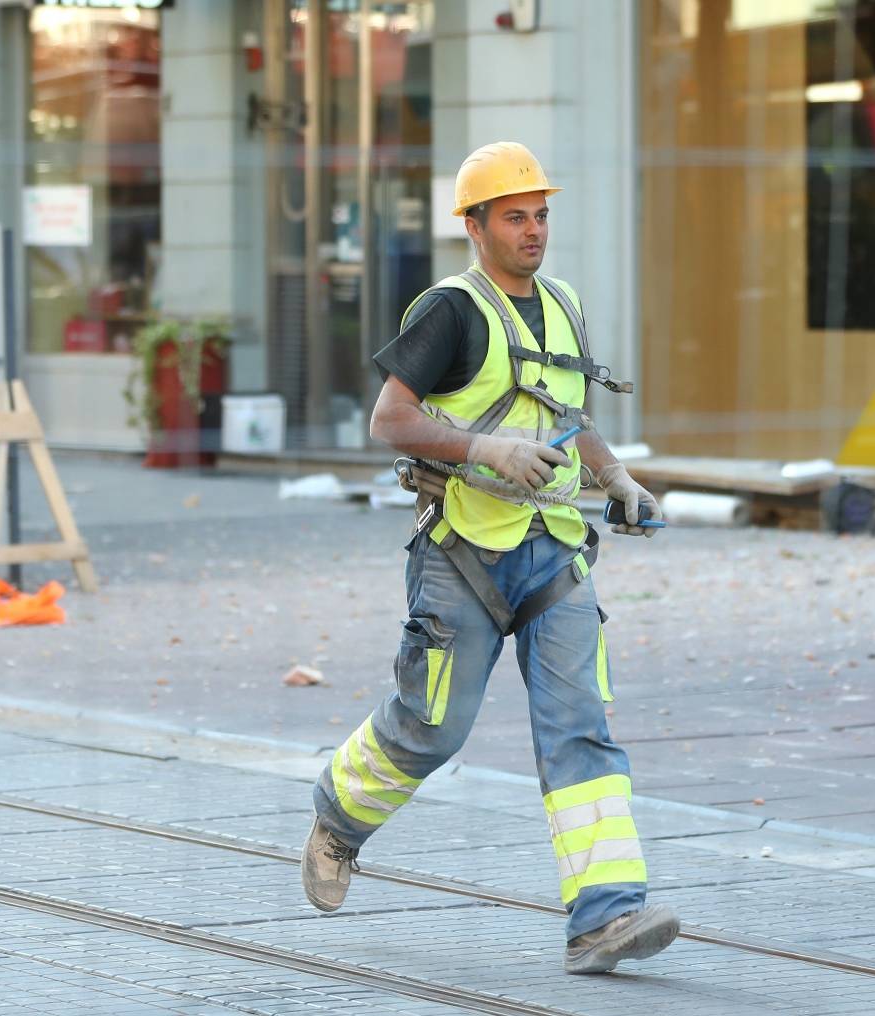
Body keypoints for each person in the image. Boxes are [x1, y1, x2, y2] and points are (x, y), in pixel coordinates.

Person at [300, 141, 680, 975]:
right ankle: (338, 818)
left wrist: (617, 479)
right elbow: (389, 421)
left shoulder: (563, 304)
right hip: (461, 554)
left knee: (582, 728)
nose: (534, 229)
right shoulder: (450, 310)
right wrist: (483, 450)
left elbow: (568, 415)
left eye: (541, 214)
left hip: (552, 554)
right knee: (433, 728)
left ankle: (605, 918)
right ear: (474, 227)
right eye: (515, 216)